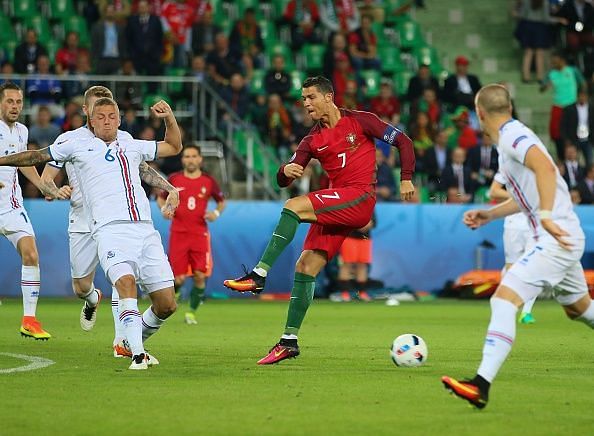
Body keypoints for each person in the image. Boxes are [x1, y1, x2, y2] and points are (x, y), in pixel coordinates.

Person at [223, 76, 415, 364]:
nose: (306, 104)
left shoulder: (361, 121)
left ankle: (258, 274)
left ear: (329, 97)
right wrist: (285, 170)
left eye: (311, 97)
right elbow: (285, 176)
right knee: (306, 265)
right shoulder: (311, 140)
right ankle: (289, 341)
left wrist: (406, 179)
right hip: (336, 202)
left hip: (360, 197)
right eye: (303, 99)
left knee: (293, 207)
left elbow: (403, 141)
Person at [2, 98, 183, 370]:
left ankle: (131, 341)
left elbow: (173, 146)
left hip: (146, 229)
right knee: (123, 283)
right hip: (108, 229)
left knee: (167, 304)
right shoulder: (74, 143)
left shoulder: (131, 144)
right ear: (91, 119)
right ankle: (136, 353)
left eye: (112, 116)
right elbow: (37, 156)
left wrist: (169, 117)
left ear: (120, 119)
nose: (107, 120)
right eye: (101, 116)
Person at [442, 84, 594, 409]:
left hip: (554, 237)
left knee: (503, 298)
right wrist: (490, 215)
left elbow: (546, 168)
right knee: (579, 309)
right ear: (508, 107)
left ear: (479, 113)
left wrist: (548, 216)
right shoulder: (509, 138)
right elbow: (527, 196)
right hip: (559, 236)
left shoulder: (512, 136)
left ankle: (480, 383)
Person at [41, 86, 178, 357]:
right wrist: (55, 190)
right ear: (87, 113)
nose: (105, 118)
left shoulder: (123, 139)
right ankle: (92, 299)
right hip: (82, 219)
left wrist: (169, 187)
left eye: (110, 112)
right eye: (97, 112)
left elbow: (142, 169)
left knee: (122, 277)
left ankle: (123, 341)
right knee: (81, 286)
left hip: (113, 220)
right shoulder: (69, 140)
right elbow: (46, 177)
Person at [0, 82, 65, 340]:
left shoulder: (22, 130)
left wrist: (43, 187)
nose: (15, 106)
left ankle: (29, 320)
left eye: (18, 102)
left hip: (12, 206)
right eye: (9, 101)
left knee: (31, 253)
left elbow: (25, 162)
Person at [156, 144, 225, 325]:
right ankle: (176, 292)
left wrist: (215, 214)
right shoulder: (174, 179)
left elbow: (221, 201)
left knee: (200, 275)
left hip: (199, 234)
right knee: (178, 278)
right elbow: (161, 198)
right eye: (187, 156)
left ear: (200, 159)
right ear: (182, 160)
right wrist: (165, 210)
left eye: (194, 156)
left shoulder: (208, 181)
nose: (191, 159)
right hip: (178, 233)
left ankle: (191, 313)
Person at [489, 174, 536, 324]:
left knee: (533, 265)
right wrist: (518, 196)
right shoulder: (506, 167)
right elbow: (494, 191)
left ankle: (526, 311)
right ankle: (504, 306)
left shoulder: (538, 166)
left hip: (534, 224)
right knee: (511, 268)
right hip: (513, 225)